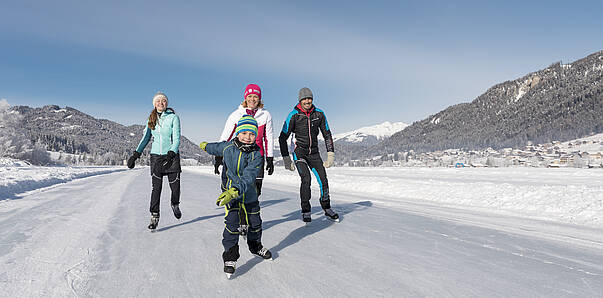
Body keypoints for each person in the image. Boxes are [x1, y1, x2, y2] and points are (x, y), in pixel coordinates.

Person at [199, 115, 272, 278]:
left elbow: (249, 176)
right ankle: (230, 257)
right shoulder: (228, 147)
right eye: (244, 133)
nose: (248, 137)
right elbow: (216, 147)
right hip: (230, 195)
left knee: (255, 224)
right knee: (232, 225)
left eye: (252, 134)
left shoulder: (256, 155)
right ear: (238, 133)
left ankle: (255, 247)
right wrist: (205, 146)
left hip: (249, 195)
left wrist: (235, 190)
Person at [215, 83, 274, 236]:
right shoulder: (235, 115)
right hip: (237, 158)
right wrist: (218, 157)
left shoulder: (265, 115)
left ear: (259, 98)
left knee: (255, 190)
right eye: (250, 96)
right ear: (245, 98)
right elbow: (226, 136)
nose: (253, 99)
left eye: (255, 96)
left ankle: (248, 217)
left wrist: (270, 158)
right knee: (239, 188)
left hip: (256, 157)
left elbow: (268, 137)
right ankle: (242, 222)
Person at [278, 87, 339, 223]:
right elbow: (282, 137)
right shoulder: (293, 115)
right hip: (299, 152)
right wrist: (286, 158)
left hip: (314, 153)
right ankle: (306, 210)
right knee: (306, 180)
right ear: (300, 100)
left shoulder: (319, 114)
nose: (307, 101)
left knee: (323, 180)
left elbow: (327, 134)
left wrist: (330, 154)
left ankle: (327, 208)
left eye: (309, 98)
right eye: (304, 99)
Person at [127, 92, 182, 230]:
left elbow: (176, 138)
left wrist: (171, 153)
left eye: (163, 101)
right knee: (156, 188)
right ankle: (154, 216)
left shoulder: (174, 118)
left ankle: (175, 204)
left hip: (172, 156)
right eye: (158, 101)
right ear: (154, 104)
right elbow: (145, 138)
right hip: (156, 157)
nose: (161, 103)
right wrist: (135, 155)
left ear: (167, 103)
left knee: (175, 188)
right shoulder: (151, 119)